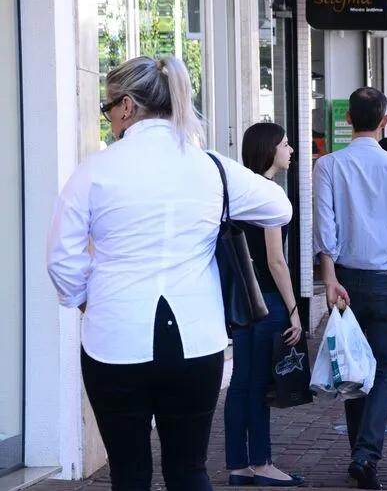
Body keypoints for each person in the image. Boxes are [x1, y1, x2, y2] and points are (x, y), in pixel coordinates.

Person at [47, 56, 292, 490]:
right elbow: (280, 206)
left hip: (113, 338)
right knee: (188, 469)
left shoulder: (94, 171)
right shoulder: (210, 166)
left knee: (129, 474)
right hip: (196, 339)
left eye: (107, 111)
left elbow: (62, 260)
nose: (109, 121)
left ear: (126, 107)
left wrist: (88, 300)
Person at [313, 87, 387, 490]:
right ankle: (366, 453)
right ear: (385, 121)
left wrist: (328, 277)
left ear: (348, 121)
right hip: (384, 278)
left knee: (353, 366)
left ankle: (359, 453)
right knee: (385, 368)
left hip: (343, 276)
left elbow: (325, 227)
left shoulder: (327, 165)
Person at [224, 122, 304, 487]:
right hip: (268, 301)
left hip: (240, 301)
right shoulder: (269, 194)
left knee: (241, 384)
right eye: (285, 144)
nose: (291, 151)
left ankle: (238, 466)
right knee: (259, 387)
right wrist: (293, 309)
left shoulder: (239, 193)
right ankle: (262, 463)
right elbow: (276, 260)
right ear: (270, 149)